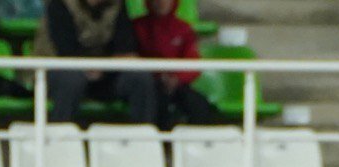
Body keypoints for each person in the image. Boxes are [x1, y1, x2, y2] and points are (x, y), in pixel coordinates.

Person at [34, 0, 159, 125]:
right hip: (57, 70)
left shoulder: (117, 5)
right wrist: (94, 66)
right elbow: (66, 51)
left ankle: (142, 136)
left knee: (140, 78)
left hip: (104, 72)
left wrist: (103, 66)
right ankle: (60, 134)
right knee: (72, 80)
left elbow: (126, 49)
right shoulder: (60, 4)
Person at [132, 0, 221, 130]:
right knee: (155, 103)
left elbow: (193, 61)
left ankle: (194, 144)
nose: (161, 3)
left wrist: (177, 78)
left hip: (177, 84)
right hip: (148, 85)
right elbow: (132, 58)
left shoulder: (183, 29)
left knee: (199, 104)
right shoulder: (137, 27)